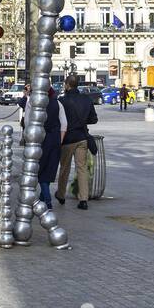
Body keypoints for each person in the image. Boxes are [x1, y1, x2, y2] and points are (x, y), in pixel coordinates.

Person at [57, 74, 98, 209]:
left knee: (65, 168)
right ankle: (83, 199)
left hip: (67, 139)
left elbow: (59, 121)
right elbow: (94, 119)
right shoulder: (86, 99)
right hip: (82, 137)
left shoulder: (62, 101)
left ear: (67, 85)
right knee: (82, 168)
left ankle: (61, 194)